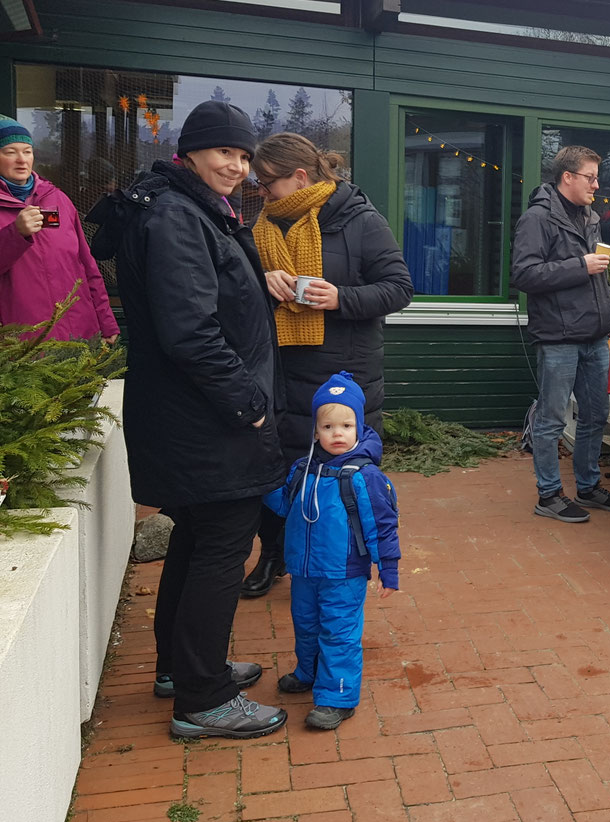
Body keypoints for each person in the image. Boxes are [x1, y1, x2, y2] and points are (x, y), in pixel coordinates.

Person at [88, 99, 287, 739]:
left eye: (243, 154)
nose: (236, 164)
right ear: (190, 153)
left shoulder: (189, 209)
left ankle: (181, 666)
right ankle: (202, 698)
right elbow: (190, 331)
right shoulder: (177, 217)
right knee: (221, 547)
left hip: (194, 418)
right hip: (207, 420)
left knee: (198, 540)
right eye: (224, 151)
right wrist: (247, 402)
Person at [240, 132, 413, 598]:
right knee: (279, 473)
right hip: (278, 369)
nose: (261, 191)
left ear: (300, 177)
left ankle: (338, 563)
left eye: (268, 181)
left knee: (334, 478)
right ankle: (274, 555)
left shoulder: (361, 220)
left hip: (340, 377)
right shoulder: (261, 225)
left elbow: (399, 288)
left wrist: (341, 298)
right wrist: (261, 276)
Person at [266, 372, 400, 729]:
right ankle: (308, 672)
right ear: (315, 431)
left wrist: (388, 569)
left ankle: (337, 696)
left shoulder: (364, 476)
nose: (337, 433)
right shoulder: (302, 470)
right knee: (306, 625)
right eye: (328, 426)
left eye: (346, 425)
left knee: (338, 632)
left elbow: (383, 527)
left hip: (344, 572)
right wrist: (260, 482)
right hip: (305, 571)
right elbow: (284, 506)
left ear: (359, 427)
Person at [511, 146, 610, 524]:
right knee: (551, 420)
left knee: (595, 415)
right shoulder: (537, 219)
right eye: (590, 177)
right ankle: (548, 495)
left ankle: (588, 486)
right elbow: (524, 274)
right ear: (567, 178)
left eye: (597, 177)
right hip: (559, 336)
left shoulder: (590, 217)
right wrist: (580, 266)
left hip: (595, 334)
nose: (597, 184)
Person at [0, 114, 118, 342]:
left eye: (27, 151)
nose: (21, 160)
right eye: (10, 152)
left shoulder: (57, 200)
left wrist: (106, 322)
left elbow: (86, 264)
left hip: (78, 333)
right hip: (23, 343)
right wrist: (16, 234)